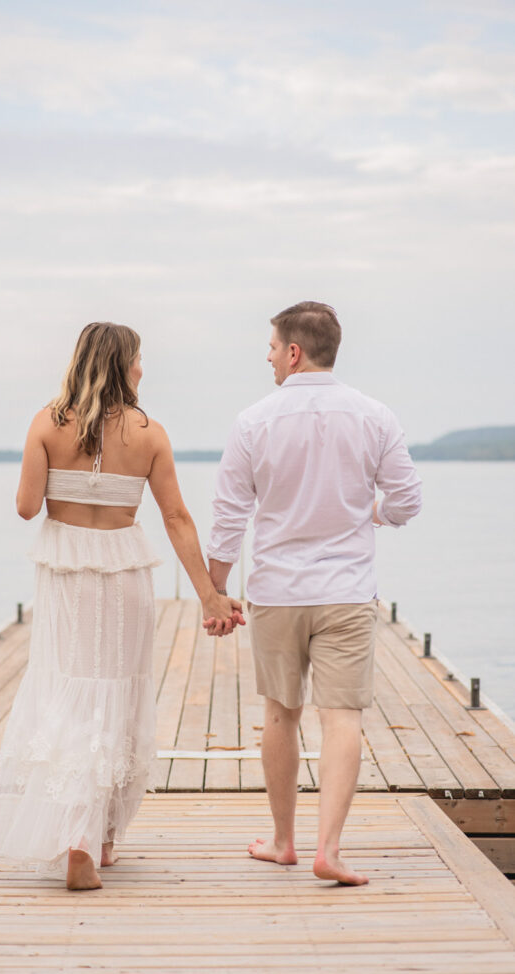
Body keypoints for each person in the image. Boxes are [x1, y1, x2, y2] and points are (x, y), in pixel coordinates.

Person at [0, 321, 243, 891]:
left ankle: (81, 840)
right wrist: (210, 595)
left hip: (66, 576)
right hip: (124, 575)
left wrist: (60, 480)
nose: (144, 368)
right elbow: (176, 519)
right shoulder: (150, 433)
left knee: (69, 692)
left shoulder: (46, 422)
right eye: (139, 359)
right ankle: (98, 839)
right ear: (123, 364)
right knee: (115, 695)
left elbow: (26, 507)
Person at [205, 301, 422, 885]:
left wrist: (215, 592)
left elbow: (229, 515)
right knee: (342, 717)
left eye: (273, 348)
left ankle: (283, 842)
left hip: (276, 591)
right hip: (347, 591)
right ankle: (330, 848)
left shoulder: (254, 421)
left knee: (280, 713)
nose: (269, 358)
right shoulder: (375, 416)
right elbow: (407, 500)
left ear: (295, 352)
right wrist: (369, 514)